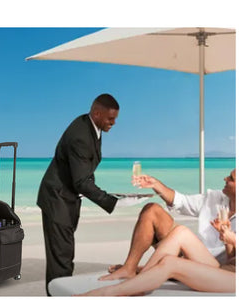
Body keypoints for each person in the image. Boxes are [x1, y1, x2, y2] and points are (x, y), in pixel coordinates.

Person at [37, 93, 120, 295]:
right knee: (62, 259)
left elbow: (83, 171)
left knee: (63, 255)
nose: (114, 123)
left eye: (115, 118)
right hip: (57, 199)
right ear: (97, 113)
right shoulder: (80, 136)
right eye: (110, 118)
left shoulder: (92, 127)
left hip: (66, 199)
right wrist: (112, 201)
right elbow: (81, 181)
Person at [101, 169, 236, 280]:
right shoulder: (214, 198)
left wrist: (229, 239)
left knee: (182, 232)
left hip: (213, 267)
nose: (225, 178)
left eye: (231, 178)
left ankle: (149, 272)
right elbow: (181, 201)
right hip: (187, 252)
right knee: (152, 210)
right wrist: (155, 184)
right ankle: (129, 268)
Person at [76, 220, 236, 296]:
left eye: (231, 178)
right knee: (181, 232)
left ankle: (110, 293)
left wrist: (234, 239)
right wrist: (228, 240)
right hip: (225, 270)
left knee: (170, 263)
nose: (225, 179)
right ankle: (140, 283)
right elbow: (232, 258)